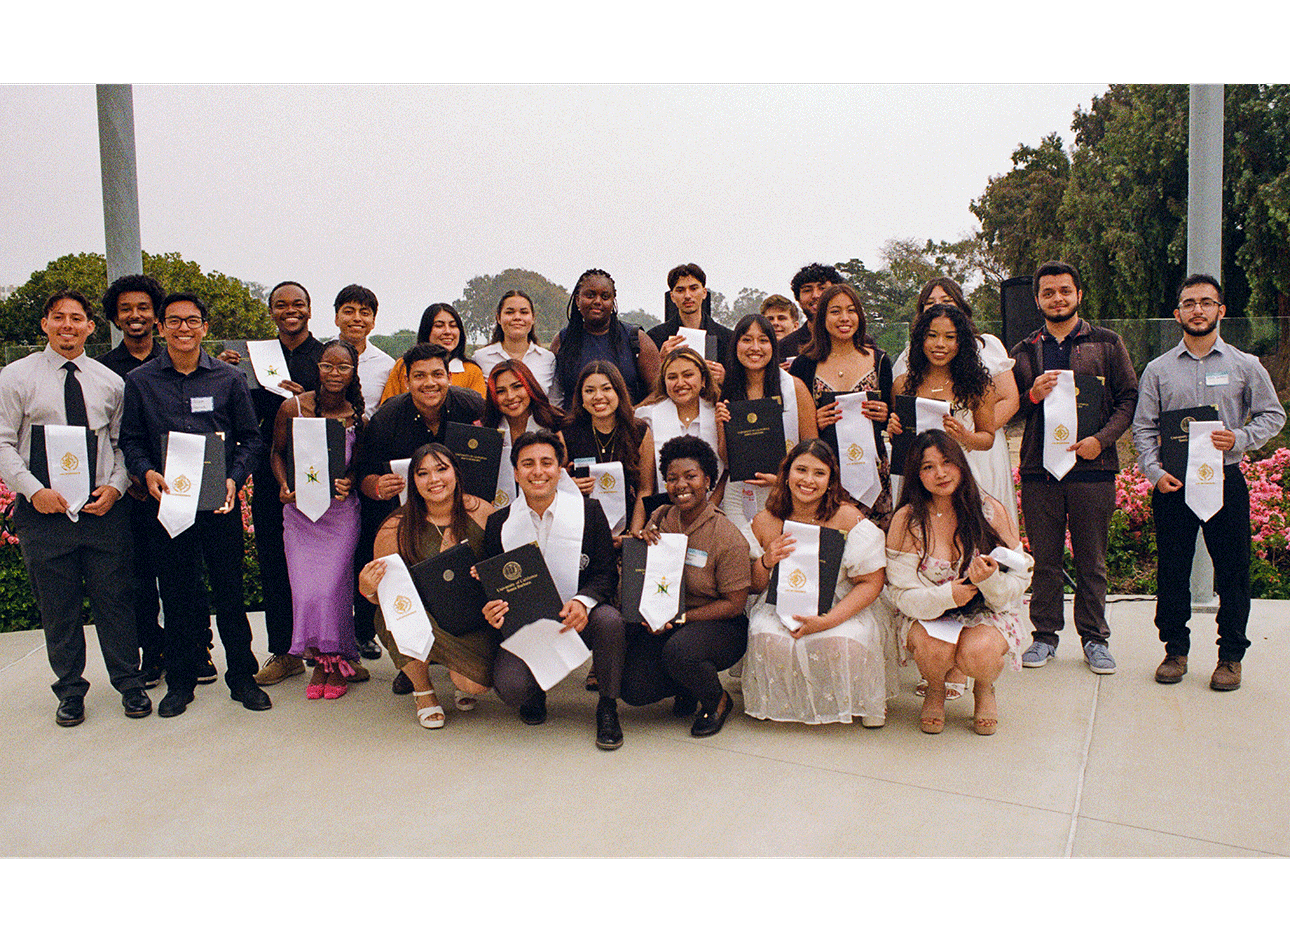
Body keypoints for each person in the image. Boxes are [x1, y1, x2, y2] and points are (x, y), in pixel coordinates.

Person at [0, 289, 149, 726]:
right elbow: (4, 442)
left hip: (101, 512)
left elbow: (123, 444)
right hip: (43, 513)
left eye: (77, 318)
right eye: (59, 317)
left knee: (116, 601)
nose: (68, 325)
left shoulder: (109, 382)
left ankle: (130, 682)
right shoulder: (15, 377)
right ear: (45, 323)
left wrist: (117, 488)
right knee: (58, 606)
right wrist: (32, 489)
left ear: (90, 326)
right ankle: (69, 690)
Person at [120, 293, 271, 717]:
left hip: (218, 506)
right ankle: (181, 681)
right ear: (161, 327)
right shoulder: (142, 381)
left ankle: (241, 676)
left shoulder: (228, 379)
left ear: (205, 327)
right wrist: (145, 472)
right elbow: (129, 439)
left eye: (192, 321)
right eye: (174, 321)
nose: (183, 329)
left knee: (230, 594)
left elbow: (251, 438)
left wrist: (234, 477)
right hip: (168, 507)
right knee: (179, 595)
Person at [1133, 274, 1285, 692]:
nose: (1197, 309)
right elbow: (1144, 429)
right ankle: (1175, 650)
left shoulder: (1244, 365)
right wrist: (1153, 471)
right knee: (1172, 572)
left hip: (1225, 482)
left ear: (1220, 310)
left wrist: (1241, 438)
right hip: (1173, 487)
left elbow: (1273, 415)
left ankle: (1230, 657)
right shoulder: (1157, 370)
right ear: (1177, 312)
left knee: (1233, 572)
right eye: (1188, 303)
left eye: (1205, 302)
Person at [1012, 261, 1138, 674]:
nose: (1058, 298)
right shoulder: (1025, 349)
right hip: (1040, 470)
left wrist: (1100, 440)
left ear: (1078, 294)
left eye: (1065, 290)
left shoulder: (1107, 343)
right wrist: (1031, 395)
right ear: (1038, 300)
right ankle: (1044, 637)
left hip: (1093, 469)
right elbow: (1009, 409)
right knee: (1045, 559)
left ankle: (1094, 639)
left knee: (1092, 560)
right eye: (1048, 293)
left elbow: (1128, 399)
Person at [479, 430, 627, 750]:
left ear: (561, 469)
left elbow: (605, 574)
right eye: (528, 464)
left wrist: (582, 601)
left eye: (547, 462)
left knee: (610, 620)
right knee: (511, 689)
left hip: (577, 618)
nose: (538, 471)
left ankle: (607, 706)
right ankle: (536, 691)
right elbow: (493, 586)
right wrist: (491, 607)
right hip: (528, 627)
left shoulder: (589, 512)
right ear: (516, 472)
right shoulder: (499, 524)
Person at [357, 343, 485, 694]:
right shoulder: (387, 419)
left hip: (465, 514)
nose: (430, 383)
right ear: (406, 379)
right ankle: (413, 664)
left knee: (461, 585)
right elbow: (362, 475)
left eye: (437, 374)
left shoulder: (471, 406)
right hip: (408, 521)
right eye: (420, 376)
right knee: (407, 586)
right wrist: (376, 485)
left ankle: (455, 651)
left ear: (448, 375)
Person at [886, 431, 1032, 735]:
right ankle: (936, 688)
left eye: (947, 462)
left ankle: (984, 687)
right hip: (929, 613)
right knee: (936, 651)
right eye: (927, 467)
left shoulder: (989, 510)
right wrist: (947, 595)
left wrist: (989, 581)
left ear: (961, 464)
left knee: (979, 655)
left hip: (987, 612)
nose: (940, 473)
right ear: (916, 475)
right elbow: (900, 593)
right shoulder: (908, 519)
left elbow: (1020, 577)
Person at [218, 281, 328, 689]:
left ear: (310, 308)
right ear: (271, 312)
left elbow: (345, 404)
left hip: (320, 467)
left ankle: (325, 649)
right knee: (274, 558)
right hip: (271, 468)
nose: (290, 310)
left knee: (322, 563)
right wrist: (226, 369)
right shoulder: (251, 357)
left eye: (298, 303)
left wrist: (308, 400)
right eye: (281, 305)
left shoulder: (326, 356)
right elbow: (230, 408)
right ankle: (284, 651)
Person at [745, 440, 888, 726]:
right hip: (782, 600)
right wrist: (765, 562)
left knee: (847, 639)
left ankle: (861, 701)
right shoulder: (765, 520)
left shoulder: (847, 518)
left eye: (819, 473)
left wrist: (829, 620)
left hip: (840, 600)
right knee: (765, 634)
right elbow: (753, 586)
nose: (808, 480)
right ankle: (779, 701)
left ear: (831, 480)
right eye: (801, 470)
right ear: (786, 474)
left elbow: (872, 582)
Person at [622, 435, 751, 737]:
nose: (681, 485)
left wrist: (680, 618)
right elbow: (647, 575)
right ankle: (688, 685)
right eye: (672, 478)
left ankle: (716, 700)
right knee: (633, 690)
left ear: (708, 479)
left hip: (720, 625)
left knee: (680, 652)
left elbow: (734, 604)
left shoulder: (727, 535)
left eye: (691, 476)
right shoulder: (660, 517)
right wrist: (639, 545)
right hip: (668, 620)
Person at [359, 444, 495, 728]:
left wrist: (488, 575)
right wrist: (367, 588)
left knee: (473, 685)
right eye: (423, 474)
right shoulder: (395, 527)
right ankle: (423, 691)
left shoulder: (481, 511)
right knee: (393, 612)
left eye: (442, 469)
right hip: (423, 616)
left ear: (456, 472)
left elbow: (502, 566)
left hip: (473, 616)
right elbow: (381, 596)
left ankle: (457, 670)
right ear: (413, 481)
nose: (434, 480)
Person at [270, 339, 365, 699]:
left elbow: (357, 466)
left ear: (353, 372)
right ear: (318, 367)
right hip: (300, 514)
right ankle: (323, 660)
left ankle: (334, 662)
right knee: (307, 591)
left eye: (343, 367)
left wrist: (350, 480)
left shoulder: (358, 417)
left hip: (340, 515)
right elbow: (276, 454)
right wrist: (282, 484)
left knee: (333, 589)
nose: (334, 373)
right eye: (328, 365)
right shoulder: (292, 408)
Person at [894, 277, 1020, 531]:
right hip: (921, 477)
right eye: (932, 336)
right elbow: (902, 435)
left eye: (950, 337)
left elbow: (987, 437)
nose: (940, 344)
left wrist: (966, 436)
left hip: (968, 472)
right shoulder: (903, 383)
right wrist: (895, 428)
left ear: (960, 342)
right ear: (920, 339)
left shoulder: (978, 384)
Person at [97, 273, 172, 688]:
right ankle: (153, 652)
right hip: (134, 492)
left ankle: (194, 648)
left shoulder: (177, 358)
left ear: (156, 314)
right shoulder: (104, 370)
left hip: (181, 489)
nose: (135, 315)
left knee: (184, 576)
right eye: (126, 309)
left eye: (143, 307)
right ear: (115, 317)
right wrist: (133, 476)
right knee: (140, 579)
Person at [788, 282, 893, 527]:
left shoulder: (879, 361)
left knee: (870, 544)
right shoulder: (804, 365)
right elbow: (796, 423)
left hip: (873, 474)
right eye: (835, 311)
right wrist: (815, 420)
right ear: (822, 317)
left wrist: (885, 414)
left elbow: (894, 419)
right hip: (821, 477)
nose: (844, 318)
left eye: (851, 310)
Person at [717, 312, 817, 546]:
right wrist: (722, 425)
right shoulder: (728, 390)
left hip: (788, 492)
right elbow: (727, 461)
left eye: (763, 340)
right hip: (740, 495)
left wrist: (782, 480)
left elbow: (813, 449)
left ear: (773, 346)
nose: (755, 347)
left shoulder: (794, 387)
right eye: (746, 339)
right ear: (735, 346)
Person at [565, 360, 654, 546]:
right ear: (580, 397)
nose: (598, 396)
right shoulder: (566, 433)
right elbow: (554, 483)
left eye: (606, 388)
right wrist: (568, 485)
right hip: (579, 533)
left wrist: (633, 534)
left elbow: (645, 489)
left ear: (619, 392)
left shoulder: (640, 431)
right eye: (589, 391)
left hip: (627, 530)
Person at [551, 269, 660, 410]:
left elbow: (658, 391)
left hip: (625, 428)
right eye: (590, 295)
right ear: (578, 300)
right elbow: (553, 395)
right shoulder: (562, 341)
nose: (597, 301)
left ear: (613, 301)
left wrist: (633, 414)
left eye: (605, 296)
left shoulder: (637, 339)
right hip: (574, 429)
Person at [636, 347, 725, 498]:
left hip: (718, 509)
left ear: (703, 379)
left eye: (688, 375)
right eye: (672, 377)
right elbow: (646, 485)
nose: (680, 383)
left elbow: (727, 471)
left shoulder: (719, 414)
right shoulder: (647, 417)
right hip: (666, 509)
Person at [482, 359, 566, 508]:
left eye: (517, 387)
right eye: (500, 391)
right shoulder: (485, 431)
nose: (510, 396)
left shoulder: (556, 424)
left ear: (530, 386)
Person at [647, 263, 731, 387]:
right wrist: (660, 361)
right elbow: (648, 386)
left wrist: (725, 378)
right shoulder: (655, 337)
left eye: (693, 288)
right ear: (672, 297)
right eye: (680, 290)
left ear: (704, 293)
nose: (687, 296)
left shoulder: (727, 337)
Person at [380, 303, 485, 401]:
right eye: (439, 326)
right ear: (426, 330)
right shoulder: (403, 365)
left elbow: (479, 414)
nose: (448, 332)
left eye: (453, 326)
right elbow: (387, 409)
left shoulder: (472, 371)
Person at [472, 290, 557, 396]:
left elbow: (554, 402)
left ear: (533, 318)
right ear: (498, 318)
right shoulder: (481, 358)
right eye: (509, 312)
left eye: (524, 312)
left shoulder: (547, 359)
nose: (517, 317)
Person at [333, 283, 395, 421]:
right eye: (349, 312)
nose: (357, 318)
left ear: (373, 321)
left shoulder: (387, 365)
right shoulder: (319, 356)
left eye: (364, 313)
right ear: (337, 318)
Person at [777, 263, 844, 360]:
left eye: (822, 288)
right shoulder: (785, 347)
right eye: (807, 290)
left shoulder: (858, 341)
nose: (815, 295)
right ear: (798, 299)